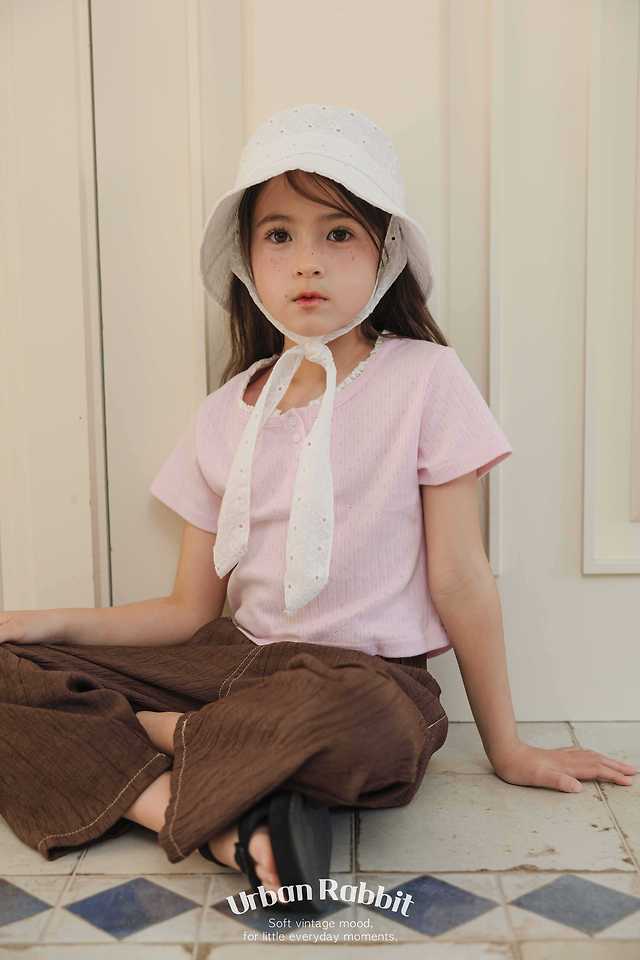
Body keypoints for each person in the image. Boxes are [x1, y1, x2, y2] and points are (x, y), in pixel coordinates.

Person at [0, 105, 636, 912]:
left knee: (368, 721)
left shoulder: (426, 379)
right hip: (229, 666)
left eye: (338, 233)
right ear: (247, 258)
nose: (308, 261)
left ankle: (159, 737)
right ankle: (222, 825)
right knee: (8, 670)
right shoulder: (223, 413)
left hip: (361, 677)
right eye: (279, 235)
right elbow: (187, 609)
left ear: (384, 253)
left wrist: (506, 747)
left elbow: (460, 578)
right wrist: (39, 624)